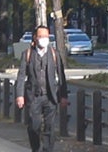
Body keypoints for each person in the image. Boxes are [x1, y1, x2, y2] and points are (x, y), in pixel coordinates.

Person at [17, 24, 68, 152]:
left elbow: (61, 76)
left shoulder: (54, 54)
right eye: (41, 36)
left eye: (46, 36)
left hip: (50, 96)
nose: (44, 39)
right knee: (34, 126)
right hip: (34, 96)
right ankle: (36, 148)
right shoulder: (27, 54)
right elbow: (21, 75)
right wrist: (20, 95)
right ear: (35, 37)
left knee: (50, 127)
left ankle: (47, 149)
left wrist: (63, 96)